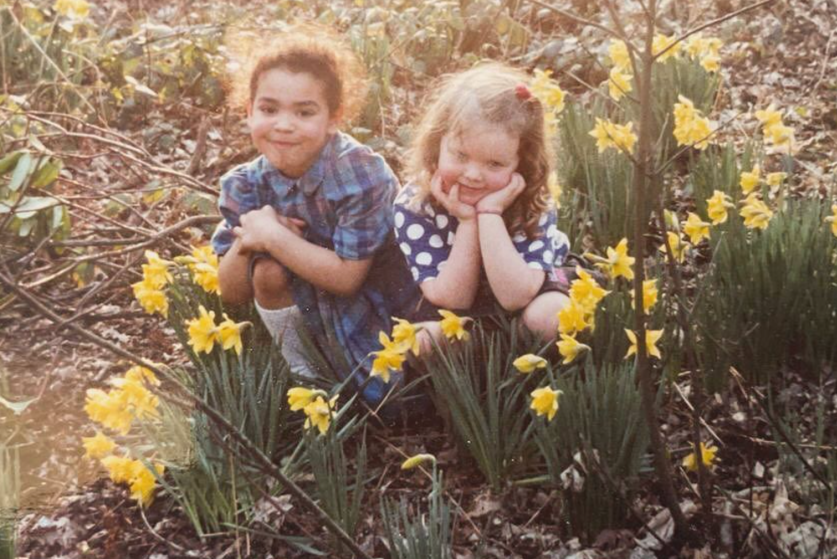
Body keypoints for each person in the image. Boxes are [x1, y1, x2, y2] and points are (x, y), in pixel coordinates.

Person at [212, 29, 416, 404]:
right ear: (249, 111)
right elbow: (231, 292)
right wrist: (248, 239)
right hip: (311, 309)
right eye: (269, 109)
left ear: (334, 118)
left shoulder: (359, 175)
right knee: (267, 271)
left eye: (304, 112)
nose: (284, 125)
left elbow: (346, 278)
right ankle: (306, 381)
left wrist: (274, 238)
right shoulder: (246, 185)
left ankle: (345, 390)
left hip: (377, 312)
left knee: (388, 403)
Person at [394, 62, 572, 354]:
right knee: (421, 342)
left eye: (494, 164)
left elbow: (517, 296)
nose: (473, 174)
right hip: (459, 310)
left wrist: (490, 214)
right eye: (460, 155)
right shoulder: (416, 205)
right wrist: (467, 222)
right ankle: (492, 361)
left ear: (521, 164)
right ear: (436, 143)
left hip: (528, 297)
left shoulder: (531, 200)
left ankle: (520, 359)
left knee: (550, 317)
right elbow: (454, 298)